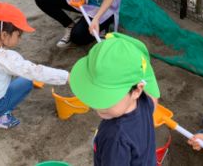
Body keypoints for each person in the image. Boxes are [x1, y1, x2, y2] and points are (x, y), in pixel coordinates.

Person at [0, 2, 69, 129]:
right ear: (4, 35)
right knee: (27, 80)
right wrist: (67, 76)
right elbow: (36, 71)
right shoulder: (6, 57)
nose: (19, 39)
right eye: (18, 35)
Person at [69, 32, 160, 165]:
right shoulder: (146, 102)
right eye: (96, 95)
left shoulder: (115, 137)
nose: (98, 105)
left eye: (108, 98)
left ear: (136, 90)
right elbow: (151, 87)